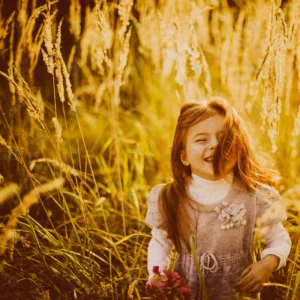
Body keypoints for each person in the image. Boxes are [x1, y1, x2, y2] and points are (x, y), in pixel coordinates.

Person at [145, 97, 291, 300]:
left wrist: (268, 263)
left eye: (225, 138)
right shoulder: (171, 197)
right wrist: (157, 273)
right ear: (184, 156)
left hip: (237, 292)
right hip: (186, 291)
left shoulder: (254, 195)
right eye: (202, 139)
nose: (215, 144)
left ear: (239, 147)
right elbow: (160, 242)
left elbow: (279, 239)